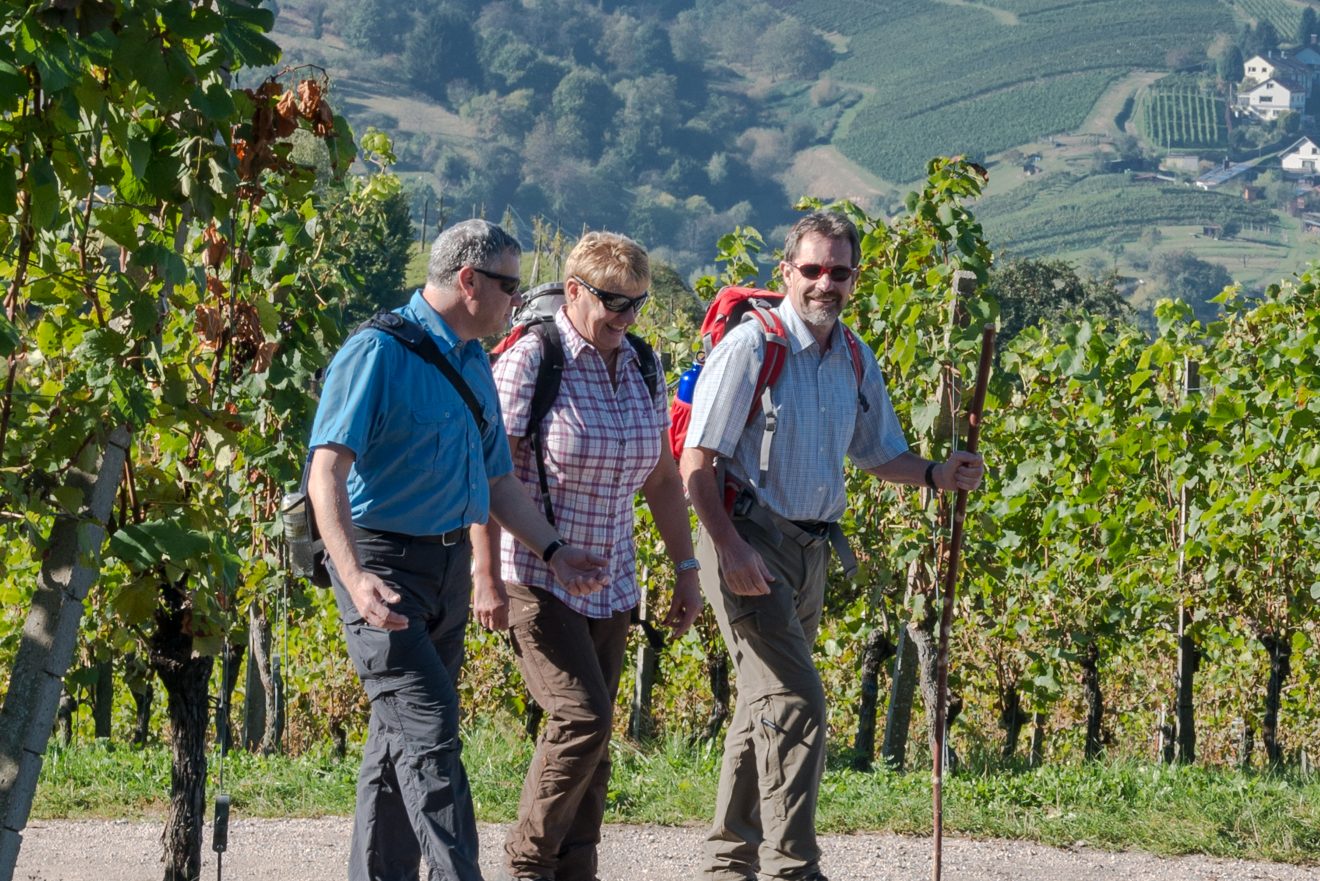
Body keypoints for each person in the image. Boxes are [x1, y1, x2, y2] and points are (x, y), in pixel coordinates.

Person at [679, 211, 984, 881]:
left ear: (854, 279)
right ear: (786, 272)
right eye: (812, 269)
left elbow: (879, 454)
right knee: (797, 702)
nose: (825, 283)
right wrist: (728, 548)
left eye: (838, 272)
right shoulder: (752, 348)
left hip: (810, 551)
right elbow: (696, 463)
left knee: (763, 705)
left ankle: (727, 864)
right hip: (748, 539)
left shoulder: (853, 355)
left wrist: (938, 474)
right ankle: (794, 867)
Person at [306, 219, 609, 881]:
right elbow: (325, 472)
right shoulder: (376, 352)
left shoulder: (473, 358)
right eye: (509, 285)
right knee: (432, 733)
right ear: (469, 281)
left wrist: (554, 551)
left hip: (444, 571)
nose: (519, 300)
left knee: (397, 747)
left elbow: (498, 482)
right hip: (382, 569)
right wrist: (354, 577)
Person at [471, 231, 703, 881]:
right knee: (582, 716)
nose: (627, 317)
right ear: (574, 291)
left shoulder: (642, 363)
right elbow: (488, 473)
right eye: (614, 302)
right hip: (534, 573)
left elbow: (662, 477)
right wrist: (484, 575)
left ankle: (578, 869)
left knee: (595, 741)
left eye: (638, 303)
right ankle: (528, 865)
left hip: (612, 580)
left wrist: (687, 570)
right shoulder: (533, 358)